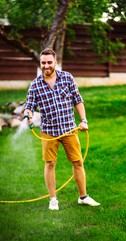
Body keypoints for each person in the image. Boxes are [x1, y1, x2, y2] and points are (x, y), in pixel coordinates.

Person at [24, 48, 100, 210]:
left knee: (78, 162)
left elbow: (77, 100)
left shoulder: (67, 78)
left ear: (55, 62)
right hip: (48, 132)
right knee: (50, 163)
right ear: (40, 63)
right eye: (43, 63)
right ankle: (53, 200)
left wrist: (84, 120)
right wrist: (28, 115)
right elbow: (29, 105)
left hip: (69, 129)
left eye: (49, 62)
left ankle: (83, 197)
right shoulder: (35, 85)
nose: (46, 66)